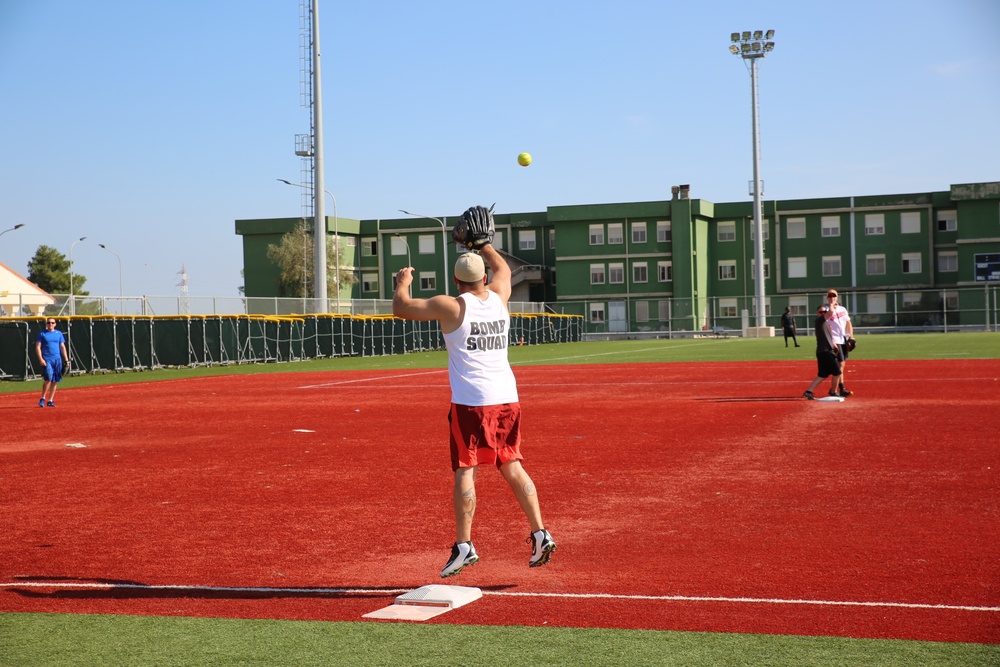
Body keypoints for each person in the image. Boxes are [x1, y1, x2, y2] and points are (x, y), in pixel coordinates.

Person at [392, 205, 555, 578]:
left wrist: (404, 279)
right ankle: (540, 532)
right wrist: (484, 245)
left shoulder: (452, 306)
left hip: (471, 404)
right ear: (482, 277)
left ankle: (464, 545)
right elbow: (503, 270)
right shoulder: (499, 296)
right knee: (511, 465)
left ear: (455, 280)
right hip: (507, 398)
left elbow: (401, 307)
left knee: (465, 470)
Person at [803, 305, 841, 399]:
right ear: (817, 314)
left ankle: (808, 392)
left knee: (823, 374)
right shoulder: (819, 321)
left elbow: (829, 337)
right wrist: (832, 303)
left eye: (825, 312)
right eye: (821, 312)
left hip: (823, 351)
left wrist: (834, 345)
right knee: (837, 372)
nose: (823, 313)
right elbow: (831, 313)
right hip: (826, 351)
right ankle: (833, 391)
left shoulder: (826, 323)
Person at [823, 289, 854, 397]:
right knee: (840, 364)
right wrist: (831, 341)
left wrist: (851, 337)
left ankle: (841, 387)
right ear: (827, 298)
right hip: (834, 340)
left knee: (843, 364)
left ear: (837, 297)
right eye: (830, 296)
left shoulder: (842, 309)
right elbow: (825, 327)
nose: (832, 298)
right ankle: (835, 389)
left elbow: (848, 323)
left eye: (834, 296)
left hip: (843, 339)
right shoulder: (825, 310)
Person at [35, 318, 69, 407]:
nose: (50, 324)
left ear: (55, 324)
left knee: (55, 380)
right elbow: (38, 347)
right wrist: (41, 359)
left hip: (57, 359)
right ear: (46, 324)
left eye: (52, 323)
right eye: (49, 323)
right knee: (48, 378)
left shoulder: (59, 334)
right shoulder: (42, 334)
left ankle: (50, 400)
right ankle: (42, 398)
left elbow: (62, 346)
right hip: (47, 359)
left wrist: (66, 360)